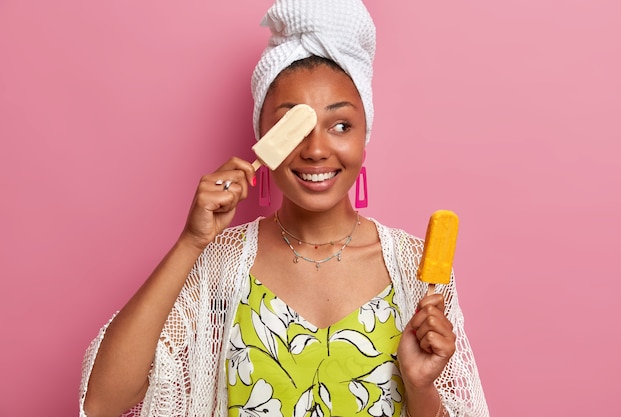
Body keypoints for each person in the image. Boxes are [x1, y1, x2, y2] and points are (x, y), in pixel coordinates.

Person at [79, 0, 489, 416]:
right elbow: (103, 403)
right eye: (294, 127)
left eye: (341, 125)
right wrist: (192, 241)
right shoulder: (222, 263)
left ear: (365, 137)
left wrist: (420, 386)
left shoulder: (416, 270)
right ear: (263, 136)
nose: (315, 150)